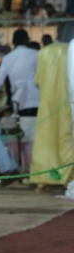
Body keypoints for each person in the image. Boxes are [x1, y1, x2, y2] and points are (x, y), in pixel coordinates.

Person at [0, 29, 40, 173]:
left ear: (13, 42)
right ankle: (37, 174)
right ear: (27, 40)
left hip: (17, 107)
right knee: (36, 144)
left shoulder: (7, 59)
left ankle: (22, 172)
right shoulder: (36, 55)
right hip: (37, 104)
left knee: (20, 144)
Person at [29, 38, 74, 186]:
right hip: (67, 104)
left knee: (46, 143)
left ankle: (45, 178)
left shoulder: (44, 51)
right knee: (66, 142)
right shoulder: (70, 50)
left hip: (47, 105)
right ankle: (67, 177)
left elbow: (38, 80)